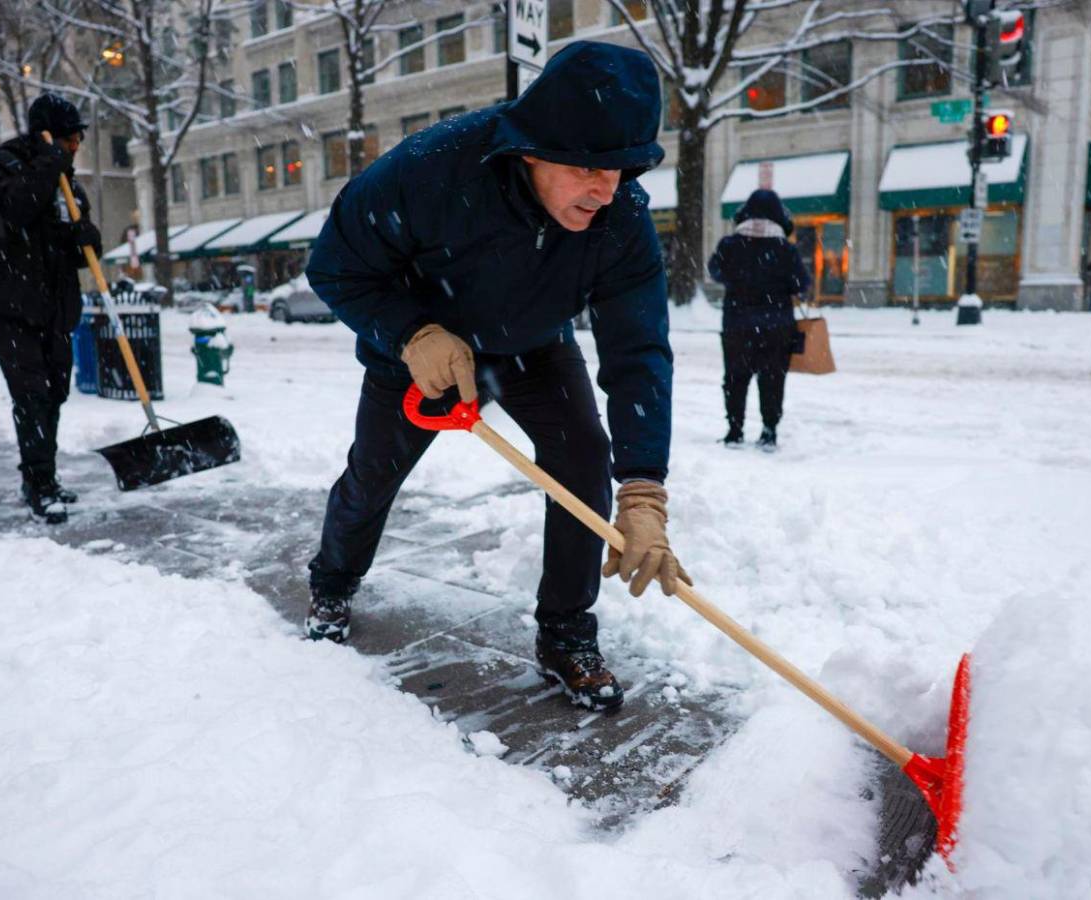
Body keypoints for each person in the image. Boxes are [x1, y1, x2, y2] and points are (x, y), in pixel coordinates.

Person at [304, 41, 690, 712]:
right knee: (373, 473)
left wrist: (645, 490)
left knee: (583, 459)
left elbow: (638, 351)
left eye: (624, 168)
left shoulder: (621, 218)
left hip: (534, 346)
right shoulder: (430, 170)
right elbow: (334, 265)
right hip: (424, 346)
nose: (607, 190)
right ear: (534, 148)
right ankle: (333, 583)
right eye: (589, 169)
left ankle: (567, 630)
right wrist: (408, 333)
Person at [0, 93, 102, 523]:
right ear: (48, 137)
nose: (75, 147)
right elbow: (16, 210)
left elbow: (77, 251)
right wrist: (50, 162)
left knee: (54, 395)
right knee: (32, 397)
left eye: (78, 139)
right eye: (70, 138)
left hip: (53, 312)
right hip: (10, 309)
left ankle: (44, 475)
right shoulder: (0, 167)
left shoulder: (67, 183)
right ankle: (38, 485)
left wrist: (85, 238)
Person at [707, 189, 810, 451]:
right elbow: (802, 284)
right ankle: (769, 430)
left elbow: (715, 271)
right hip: (777, 326)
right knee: (773, 379)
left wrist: (739, 277)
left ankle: (735, 430)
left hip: (737, 325)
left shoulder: (730, 245)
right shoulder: (786, 249)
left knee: (735, 378)